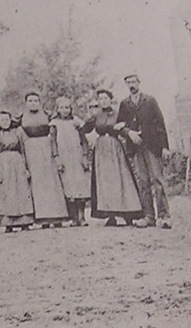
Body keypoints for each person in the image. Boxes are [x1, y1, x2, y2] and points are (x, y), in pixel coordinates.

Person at [117, 73, 172, 229]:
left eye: (134, 81)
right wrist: (129, 133)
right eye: (128, 82)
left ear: (139, 83)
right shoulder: (124, 104)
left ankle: (164, 216)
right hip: (136, 147)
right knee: (143, 182)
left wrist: (165, 147)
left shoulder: (150, 101)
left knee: (158, 180)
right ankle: (149, 216)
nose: (131, 85)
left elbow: (160, 123)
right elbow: (120, 126)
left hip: (152, 146)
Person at [83, 88, 143, 225]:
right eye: (100, 99)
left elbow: (125, 129)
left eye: (105, 98)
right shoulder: (96, 115)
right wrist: (88, 119)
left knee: (121, 179)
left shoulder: (118, 113)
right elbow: (86, 130)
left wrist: (124, 128)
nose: (103, 101)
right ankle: (111, 215)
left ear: (110, 99)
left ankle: (128, 213)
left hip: (115, 147)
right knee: (105, 182)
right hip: (101, 149)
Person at [18, 91, 70, 227]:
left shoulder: (47, 114)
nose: (33, 103)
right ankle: (43, 219)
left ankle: (57, 217)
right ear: (26, 103)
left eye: (36, 100)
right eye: (30, 101)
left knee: (52, 183)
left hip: (47, 149)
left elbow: (60, 123)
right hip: (31, 151)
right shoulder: (21, 117)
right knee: (38, 184)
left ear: (40, 102)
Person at [0, 110, 34, 231]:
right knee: (6, 192)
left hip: (17, 163)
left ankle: (25, 222)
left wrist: (26, 167)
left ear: (10, 120)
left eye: (7, 119)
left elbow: (23, 150)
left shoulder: (17, 132)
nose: (5, 122)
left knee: (21, 191)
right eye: (2, 120)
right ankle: (8, 224)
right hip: (3, 164)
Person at [50, 95, 91, 225]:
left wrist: (85, 156)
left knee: (81, 186)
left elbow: (84, 140)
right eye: (62, 107)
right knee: (69, 187)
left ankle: (82, 217)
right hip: (64, 158)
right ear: (57, 109)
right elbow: (53, 143)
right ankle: (73, 217)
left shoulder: (77, 122)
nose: (65, 110)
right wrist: (56, 158)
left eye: (67, 107)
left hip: (77, 157)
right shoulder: (54, 124)